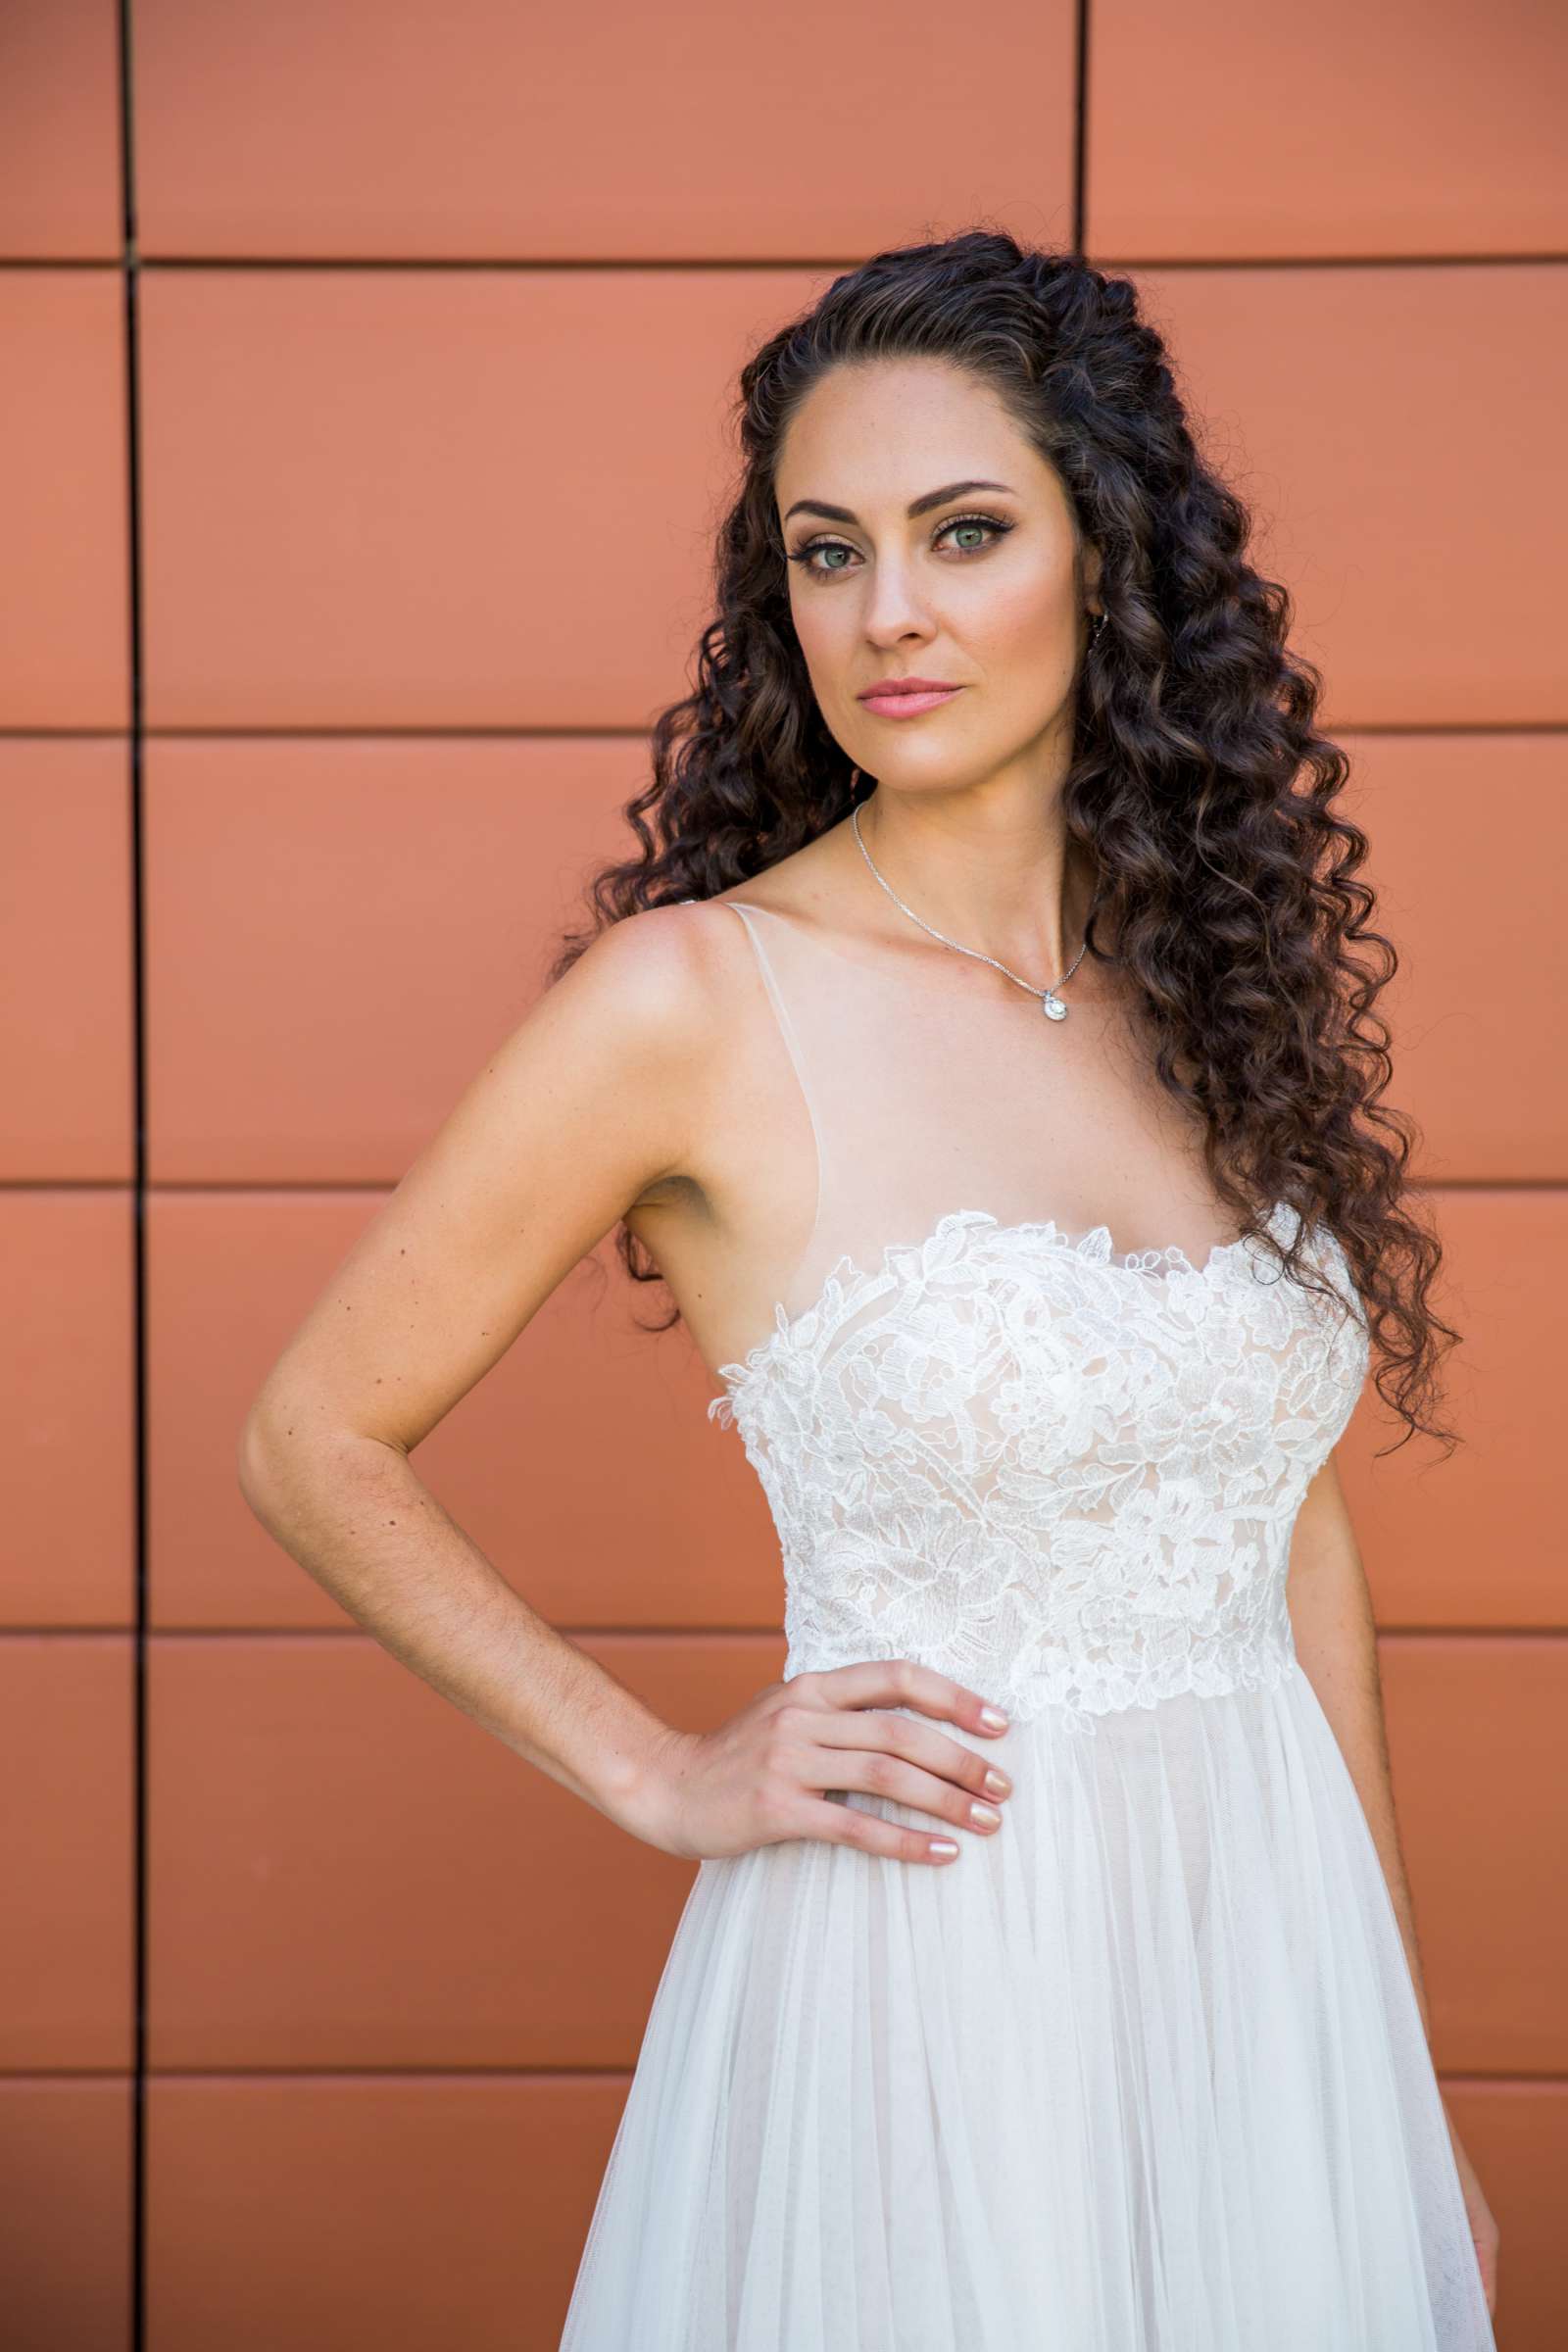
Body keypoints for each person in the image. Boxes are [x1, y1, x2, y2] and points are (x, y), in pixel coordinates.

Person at [239, 229, 1500, 2347]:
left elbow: (1284, 1530)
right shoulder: (693, 998)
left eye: (963, 532)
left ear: (1107, 566)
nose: (886, 612)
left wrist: (1383, 2074)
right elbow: (310, 1439)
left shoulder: (1196, 994)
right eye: (826, 553)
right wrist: (656, 1772)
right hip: (936, 1983)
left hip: (1259, 1979)